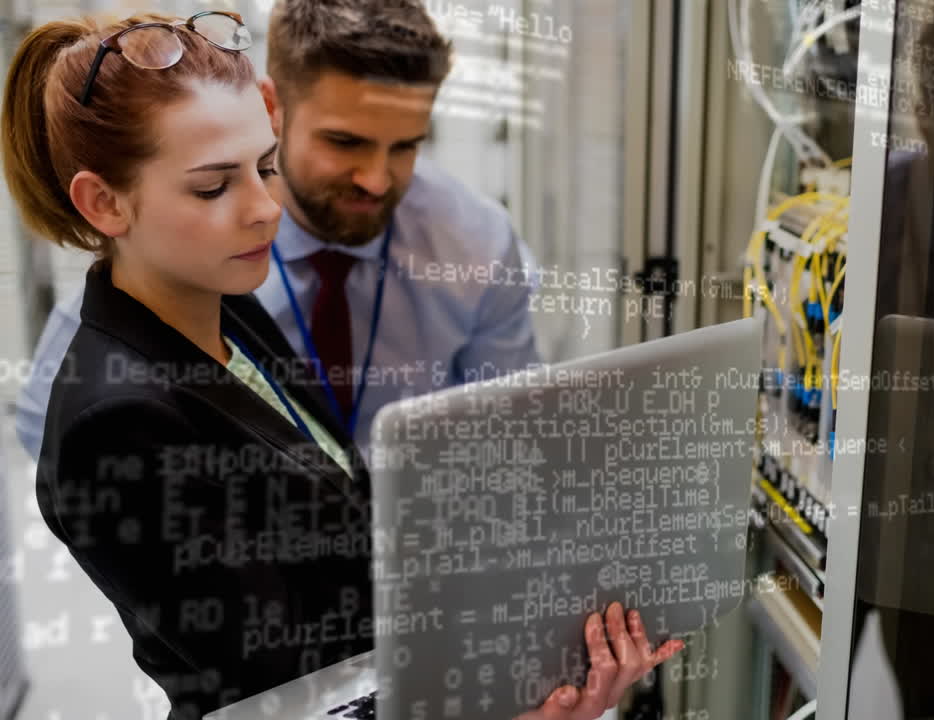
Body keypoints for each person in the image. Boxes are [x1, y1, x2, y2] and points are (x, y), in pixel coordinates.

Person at [1, 10, 677, 720]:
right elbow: (280, 692)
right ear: (104, 203)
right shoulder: (116, 422)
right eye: (213, 187)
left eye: (263, 168)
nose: (266, 208)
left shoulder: (222, 306)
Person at [16, 0, 541, 460]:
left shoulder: (478, 242)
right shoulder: (186, 255)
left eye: (405, 146)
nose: (378, 181)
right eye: (345, 142)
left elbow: (510, 433)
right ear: (273, 109)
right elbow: (61, 432)